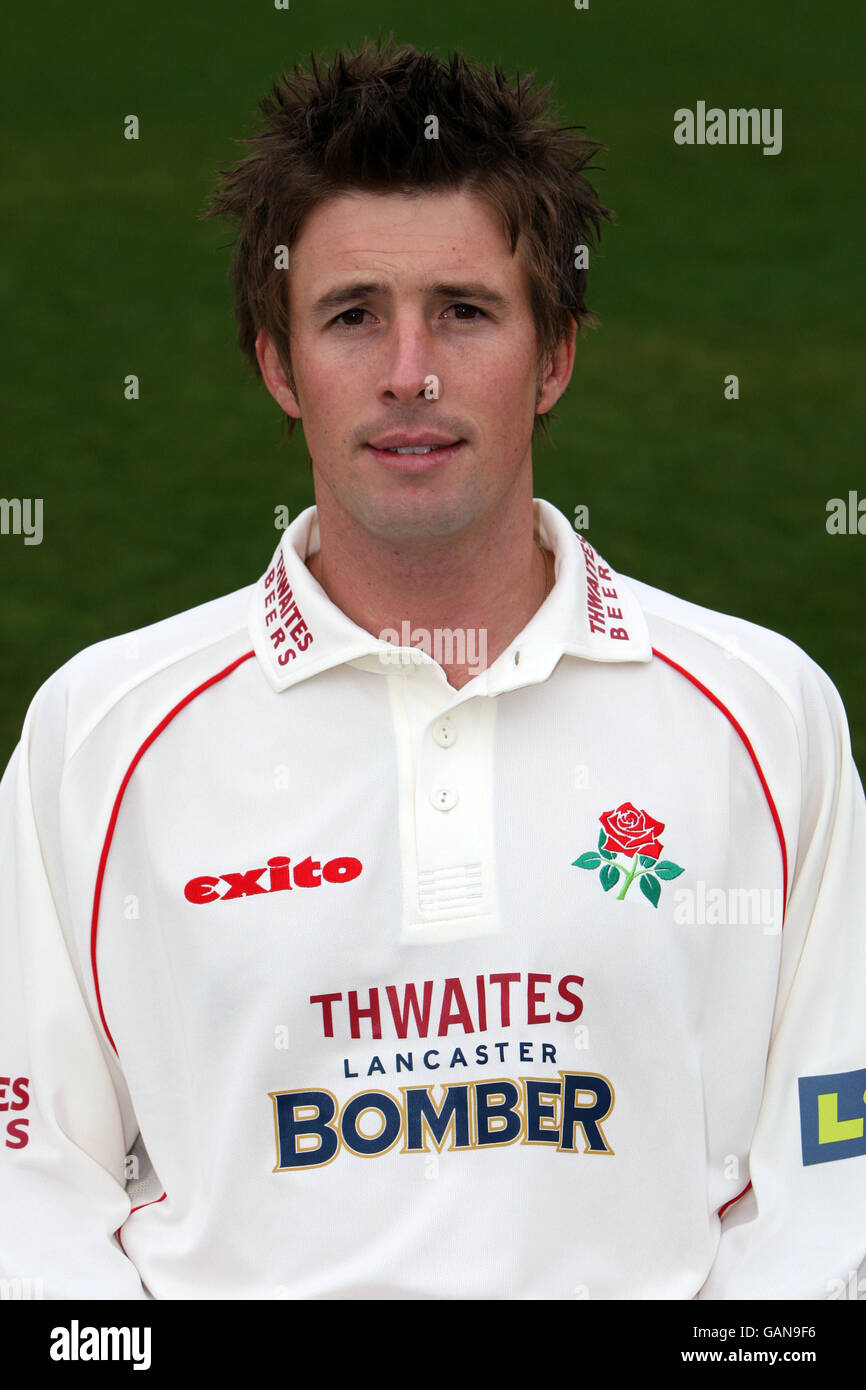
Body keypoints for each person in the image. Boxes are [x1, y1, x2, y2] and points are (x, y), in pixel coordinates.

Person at [1, 38, 864, 1302]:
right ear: (279, 365)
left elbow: (831, 1150)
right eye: (353, 317)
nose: (411, 372)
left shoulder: (761, 710)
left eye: (464, 311)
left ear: (554, 355)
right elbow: (29, 1175)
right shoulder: (102, 731)